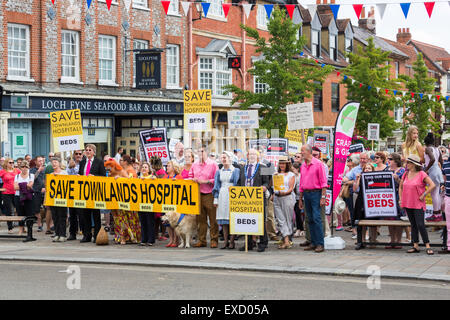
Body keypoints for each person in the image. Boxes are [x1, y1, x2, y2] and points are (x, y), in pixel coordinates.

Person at [399, 154, 435, 255]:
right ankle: (415, 245)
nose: (406, 164)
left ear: (414, 164)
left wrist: (424, 195)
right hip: (408, 202)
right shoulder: (406, 174)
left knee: (420, 224)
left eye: (408, 163)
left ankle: (427, 245)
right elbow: (401, 187)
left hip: (418, 203)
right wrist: (401, 199)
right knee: (413, 224)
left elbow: (432, 185)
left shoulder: (422, 174)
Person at [238, 149, 271, 252]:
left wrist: (264, 187)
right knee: (247, 221)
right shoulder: (243, 168)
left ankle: (263, 242)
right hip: (246, 199)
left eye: (254, 154)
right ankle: (249, 243)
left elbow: (267, 182)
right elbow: (239, 182)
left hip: (258, 198)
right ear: (247, 156)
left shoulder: (263, 167)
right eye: (250, 154)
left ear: (257, 156)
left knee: (260, 221)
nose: (251, 156)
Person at [104, 159, 141, 245]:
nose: (108, 171)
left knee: (125, 219)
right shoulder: (109, 174)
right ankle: (120, 236)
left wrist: (120, 179)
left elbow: (129, 181)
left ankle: (128, 236)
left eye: (109, 169)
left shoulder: (122, 171)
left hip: (125, 201)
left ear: (113, 166)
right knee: (118, 219)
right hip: (115, 200)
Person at [298, 144, 327, 253]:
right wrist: (300, 198)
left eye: (303, 151)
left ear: (309, 152)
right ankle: (313, 242)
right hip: (306, 193)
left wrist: (323, 197)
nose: (301, 153)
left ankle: (320, 243)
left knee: (316, 218)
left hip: (316, 193)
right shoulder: (303, 165)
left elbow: (324, 182)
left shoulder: (319, 164)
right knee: (309, 219)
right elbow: (301, 183)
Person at [189, 145, 219, 248]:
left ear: (206, 152)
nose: (200, 154)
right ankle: (202, 240)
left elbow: (217, 180)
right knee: (200, 219)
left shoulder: (213, 164)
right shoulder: (194, 165)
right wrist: (192, 180)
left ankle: (214, 240)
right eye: (198, 152)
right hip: (197, 194)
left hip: (209, 194)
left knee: (213, 218)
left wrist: (205, 181)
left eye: (202, 152)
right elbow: (190, 176)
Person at [78, 144, 106, 243]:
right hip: (84, 192)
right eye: (86, 150)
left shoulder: (99, 162)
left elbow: (103, 176)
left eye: (90, 150)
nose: (88, 152)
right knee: (85, 214)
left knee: (96, 214)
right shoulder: (82, 162)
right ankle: (87, 235)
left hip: (95, 192)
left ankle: (97, 235)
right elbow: (80, 174)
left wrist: (94, 176)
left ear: (94, 152)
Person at [212, 152, 240, 249]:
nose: (223, 159)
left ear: (230, 158)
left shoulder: (235, 170)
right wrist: (215, 199)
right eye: (222, 158)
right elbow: (216, 186)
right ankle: (225, 241)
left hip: (232, 195)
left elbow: (238, 183)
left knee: (232, 218)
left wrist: (234, 189)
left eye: (225, 157)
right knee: (223, 219)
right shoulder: (219, 172)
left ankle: (232, 241)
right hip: (222, 195)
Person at [273, 156, 296, 249]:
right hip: (277, 198)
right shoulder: (276, 174)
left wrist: (284, 192)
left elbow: (291, 188)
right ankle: (286, 240)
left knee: (287, 219)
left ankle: (287, 239)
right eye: (280, 163)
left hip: (287, 197)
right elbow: (272, 185)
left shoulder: (291, 174)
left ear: (287, 164)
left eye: (284, 163)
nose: (282, 165)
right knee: (280, 219)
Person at [353, 163, 376, 250]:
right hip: (361, 201)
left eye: (369, 168)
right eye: (366, 168)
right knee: (360, 222)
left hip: (371, 201)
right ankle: (361, 241)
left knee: (373, 222)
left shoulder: (375, 178)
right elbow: (355, 189)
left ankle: (373, 240)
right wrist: (357, 179)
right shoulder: (361, 177)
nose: (367, 170)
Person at [386, 153, 406, 249]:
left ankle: (399, 240)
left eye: (390, 159)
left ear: (396, 161)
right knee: (390, 219)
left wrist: (397, 179)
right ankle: (392, 240)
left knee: (399, 219)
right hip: (388, 197)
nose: (388, 160)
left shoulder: (402, 170)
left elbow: (404, 185)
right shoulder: (386, 170)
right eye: (388, 159)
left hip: (398, 196)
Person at [423, 132, 444, 222]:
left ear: (425, 142)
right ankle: (438, 214)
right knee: (436, 193)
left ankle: (435, 214)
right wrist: (440, 169)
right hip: (437, 170)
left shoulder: (428, 149)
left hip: (432, 171)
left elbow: (432, 159)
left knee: (434, 194)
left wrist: (426, 169)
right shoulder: (437, 149)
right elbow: (441, 161)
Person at [47, 157, 68, 242]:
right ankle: (57, 233)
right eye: (52, 162)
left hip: (62, 199)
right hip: (53, 199)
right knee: (55, 217)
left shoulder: (64, 173)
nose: (54, 164)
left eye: (55, 162)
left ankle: (63, 234)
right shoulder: (51, 174)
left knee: (62, 216)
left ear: (59, 163)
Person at [163, 160, 183, 248]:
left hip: (176, 201)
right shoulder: (165, 177)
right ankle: (171, 239)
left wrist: (177, 182)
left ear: (174, 167)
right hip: (167, 201)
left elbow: (183, 187)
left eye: (169, 166)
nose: (167, 167)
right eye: (167, 166)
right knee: (167, 221)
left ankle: (176, 239)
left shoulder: (178, 177)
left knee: (174, 221)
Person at [13, 160, 34, 237]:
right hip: (18, 196)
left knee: (29, 214)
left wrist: (21, 185)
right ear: (20, 168)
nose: (24, 168)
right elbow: (15, 187)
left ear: (28, 167)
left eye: (26, 167)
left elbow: (30, 186)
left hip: (28, 197)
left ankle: (29, 230)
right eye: (22, 167)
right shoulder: (17, 176)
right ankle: (21, 228)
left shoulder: (31, 175)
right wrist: (25, 185)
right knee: (20, 213)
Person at [66, 150, 84, 240]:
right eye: (76, 154)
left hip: (81, 192)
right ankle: (72, 233)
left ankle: (84, 231)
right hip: (72, 191)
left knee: (81, 213)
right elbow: (66, 175)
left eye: (80, 154)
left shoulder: (84, 163)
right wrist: (70, 167)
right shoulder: (70, 163)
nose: (78, 155)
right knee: (72, 214)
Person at [0, 158, 21, 234]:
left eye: (13, 162)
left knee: (19, 209)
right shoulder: (2, 171)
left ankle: (21, 227)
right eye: (10, 162)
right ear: (6, 163)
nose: (12, 164)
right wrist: (1, 189)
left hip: (16, 192)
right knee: (9, 211)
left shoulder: (17, 170)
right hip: (7, 193)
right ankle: (10, 228)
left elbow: (23, 177)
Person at [138, 162, 156, 246]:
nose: (144, 168)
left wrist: (153, 179)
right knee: (143, 221)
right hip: (140, 202)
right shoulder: (139, 178)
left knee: (150, 221)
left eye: (146, 167)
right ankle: (143, 239)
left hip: (149, 203)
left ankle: (151, 239)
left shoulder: (152, 177)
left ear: (149, 169)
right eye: (143, 167)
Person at [30, 156, 46, 232]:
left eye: (42, 161)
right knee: (36, 210)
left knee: (49, 209)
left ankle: (50, 226)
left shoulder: (46, 169)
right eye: (39, 161)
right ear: (35, 162)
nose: (41, 162)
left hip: (46, 192)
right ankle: (39, 225)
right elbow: (32, 179)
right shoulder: (32, 170)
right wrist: (38, 170)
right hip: (36, 192)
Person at [440, 154, 450, 254]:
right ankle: (449, 246)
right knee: (449, 224)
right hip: (448, 196)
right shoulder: (446, 164)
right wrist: (443, 185)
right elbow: (444, 180)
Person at [292, 162, 304, 238]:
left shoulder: (300, 176)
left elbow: (300, 188)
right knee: (297, 213)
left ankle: (301, 229)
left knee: (299, 213)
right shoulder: (293, 176)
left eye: (293, 169)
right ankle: (299, 228)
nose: (292, 170)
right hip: (295, 197)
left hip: (301, 197)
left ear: (297, 169)